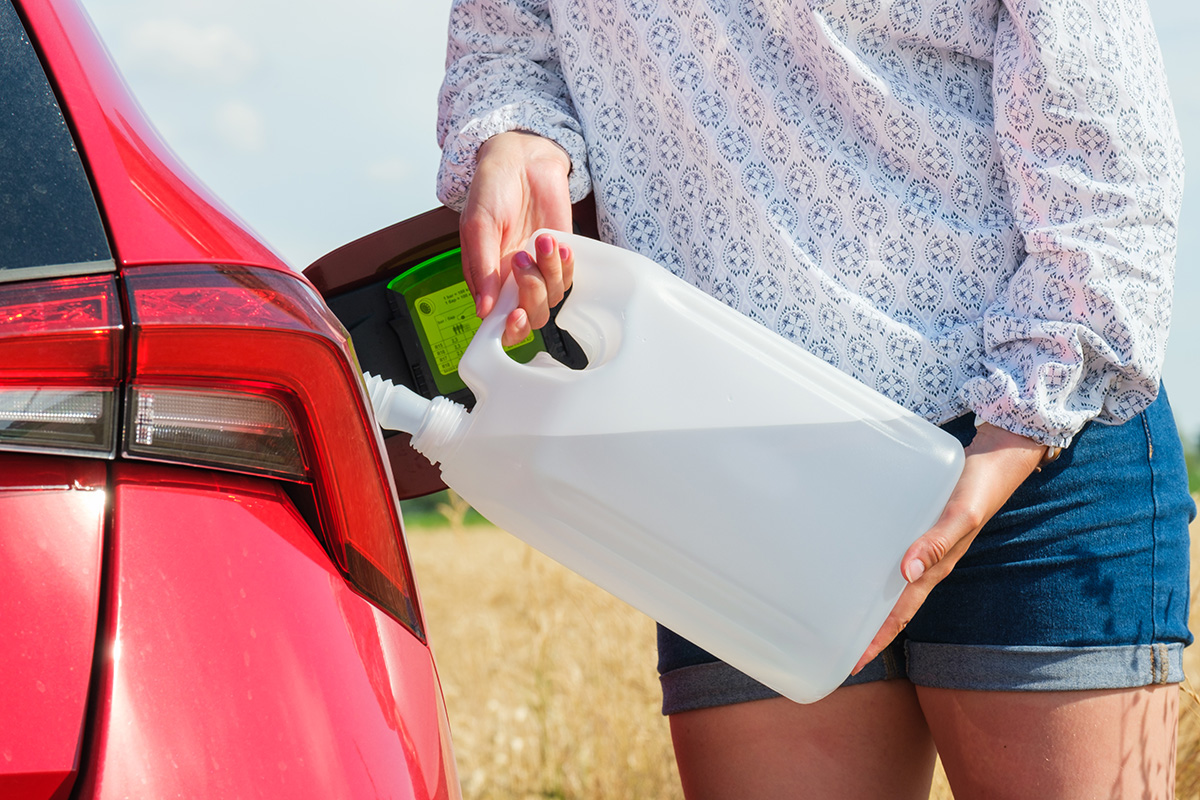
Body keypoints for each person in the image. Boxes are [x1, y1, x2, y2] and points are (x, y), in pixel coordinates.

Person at [434, 1, 1196, 797]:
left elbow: (1109, 163)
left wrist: (1019, 427)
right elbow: (506, 37)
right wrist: (519, 128)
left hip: (1035, 461)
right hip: (736, 469)